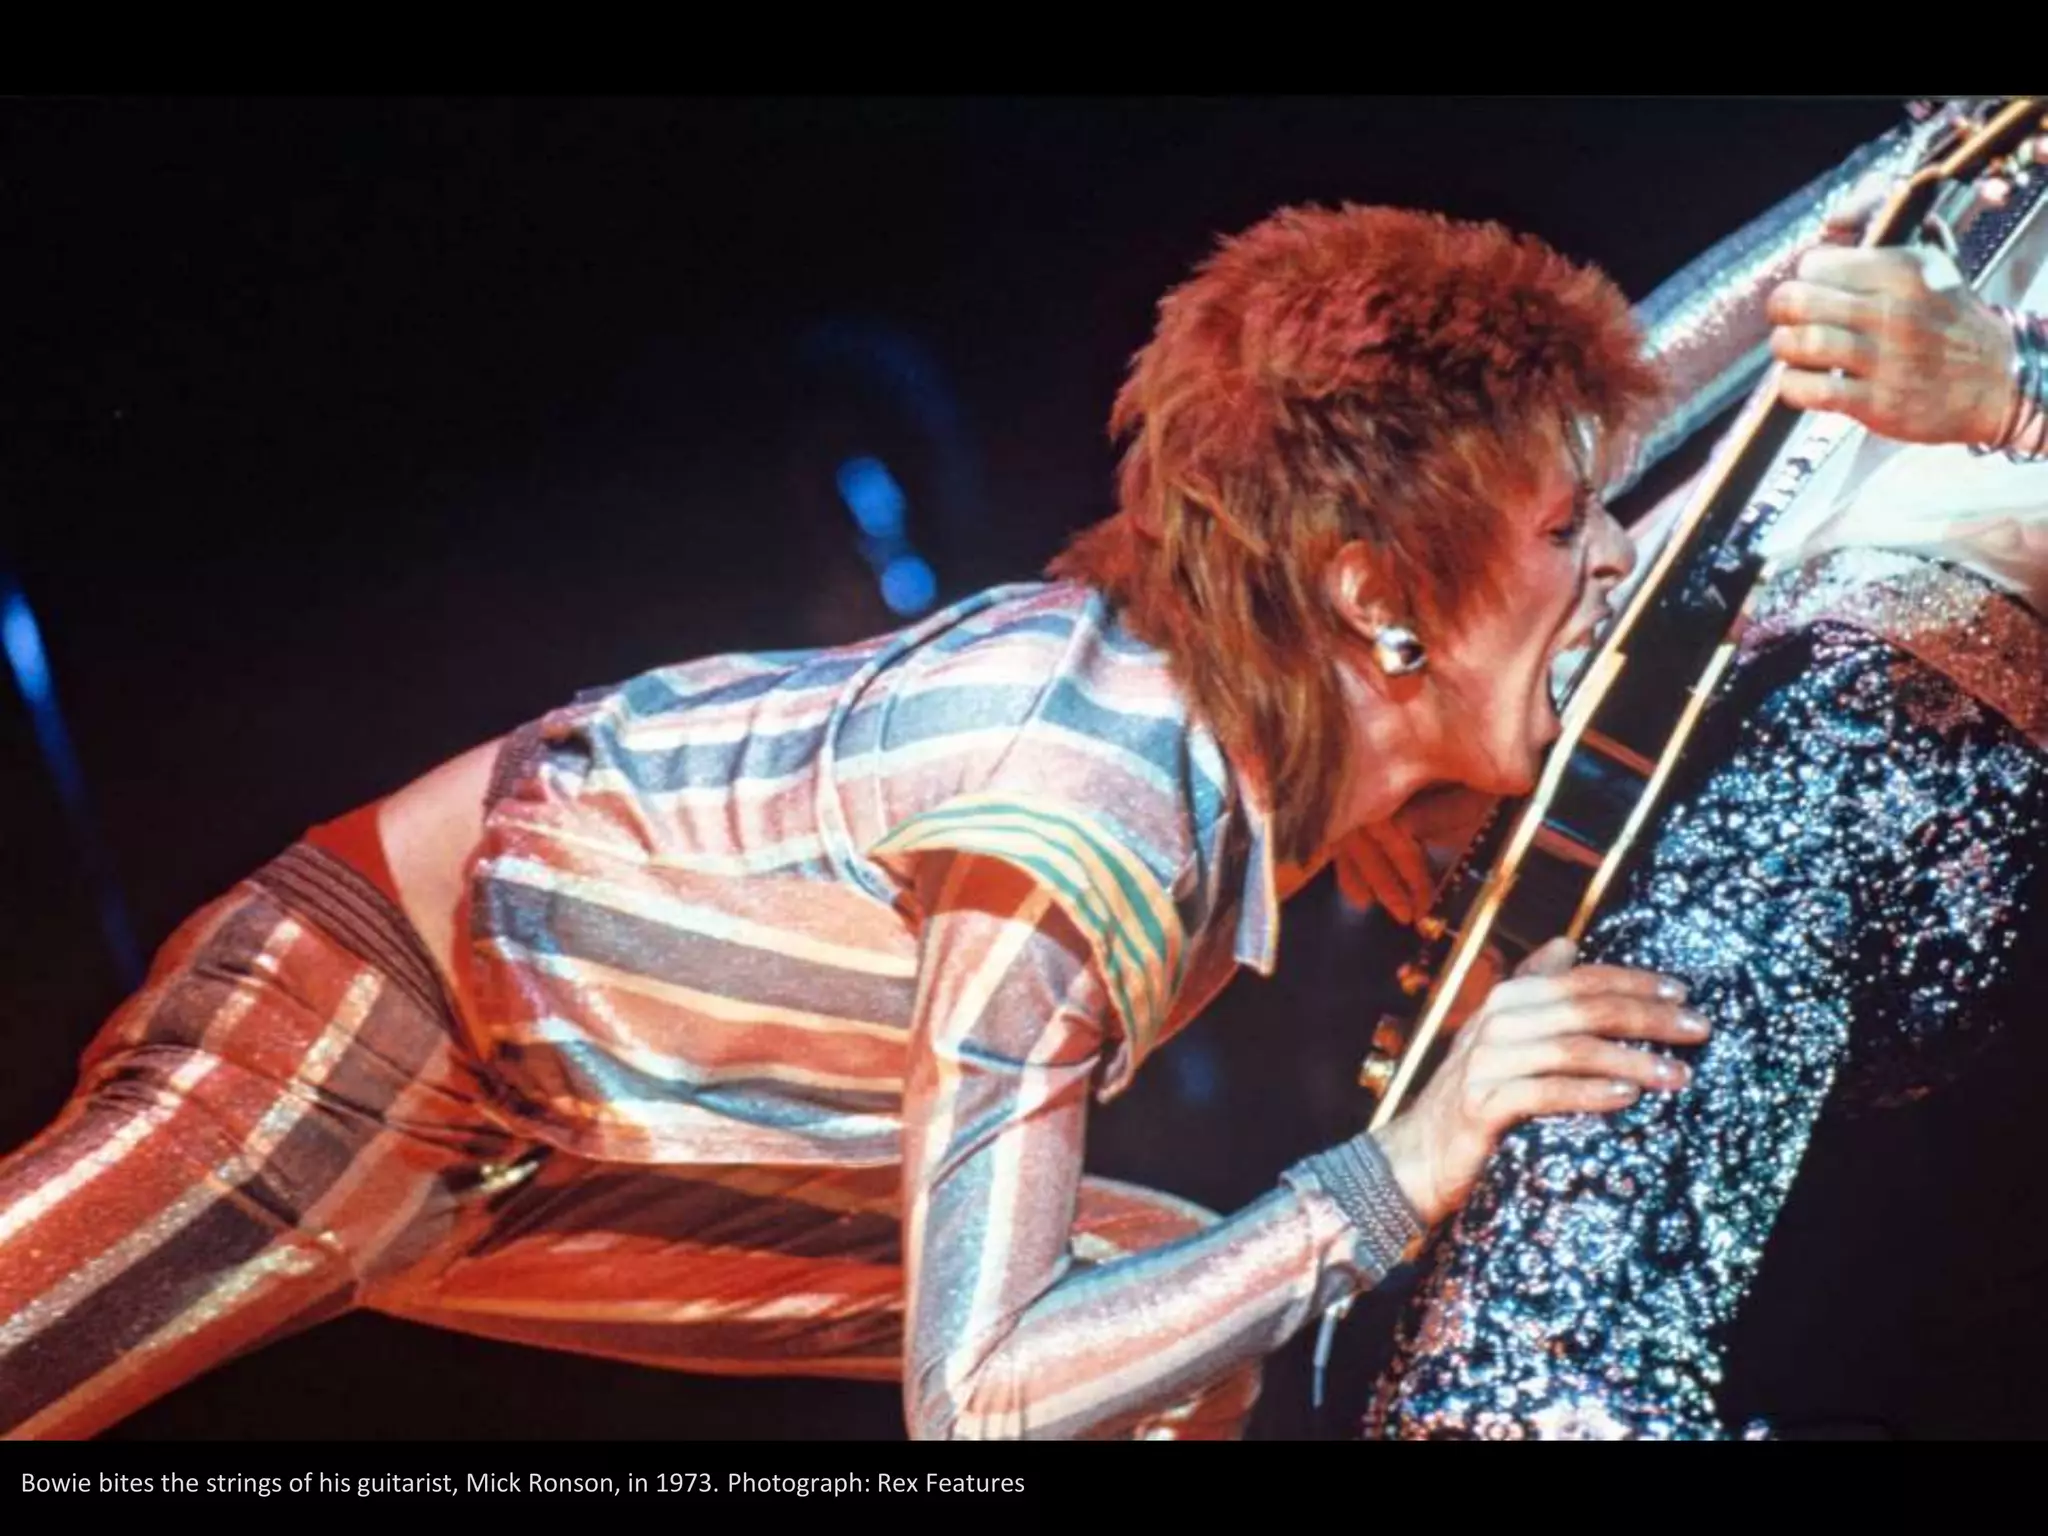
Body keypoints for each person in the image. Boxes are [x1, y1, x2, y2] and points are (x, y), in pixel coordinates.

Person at [0, 200, 1710, 1440]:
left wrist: (1863, 239)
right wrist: (1403, 1169)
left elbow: (1695, 375)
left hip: (591, 1152)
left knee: (1172, 1325)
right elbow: (981, 1398)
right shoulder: (1094, 801)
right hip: (353, 1043)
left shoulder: (1267, 718)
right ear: (1375, 599)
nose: (1618, 554)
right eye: (1571, 528)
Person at [1364, 104, 2048, 1439]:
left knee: (1528, 1363)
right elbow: (1646, 391)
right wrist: (1418, 669)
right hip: (1750, 721)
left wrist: (2015, 388)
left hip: (1901, 747)